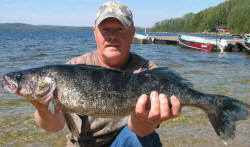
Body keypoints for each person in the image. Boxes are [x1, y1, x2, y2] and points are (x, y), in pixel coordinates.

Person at [30, 1, 182, 147]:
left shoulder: (148, 72)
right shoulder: (72, 69)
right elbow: (54, 127)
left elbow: (141, 131)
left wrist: (143, 120)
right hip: (84, 145)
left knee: (147, 138)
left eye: (120, 29)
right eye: (105, 29)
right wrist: (43, 110)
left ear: (132, 32)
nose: (112, 36)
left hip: (126, 141)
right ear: (95, 33)